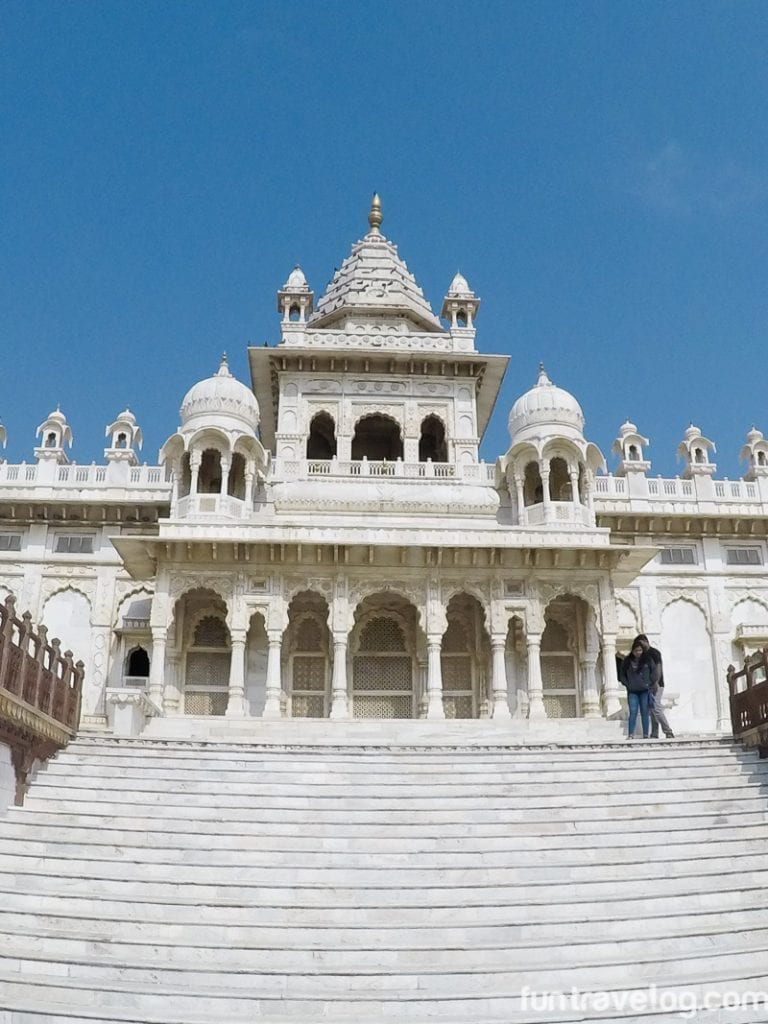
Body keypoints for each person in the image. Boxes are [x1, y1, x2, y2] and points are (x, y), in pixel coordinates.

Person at [635, 633, 675, 739]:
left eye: (641, 643)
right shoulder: (643, 655)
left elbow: (658, 667)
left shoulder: (654, 653)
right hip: (648, 686)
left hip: (657, 684)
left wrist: (656, 682)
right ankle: (654, 733)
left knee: (656, 707)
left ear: (645, 641)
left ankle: (668, 731)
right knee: (652, 709)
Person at [619, 640, 659, 739]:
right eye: (636, 651)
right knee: (633, 712)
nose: (638, 653)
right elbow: (622, 675)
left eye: (640, 650)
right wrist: (628, 684)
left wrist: (650, 683)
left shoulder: (647, 660)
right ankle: (631, 734)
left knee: (645, 712)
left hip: (645, 691)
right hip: (632, 691)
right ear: (632, 651)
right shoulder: (627, 661)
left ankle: (645, 734)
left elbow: (654, 672)